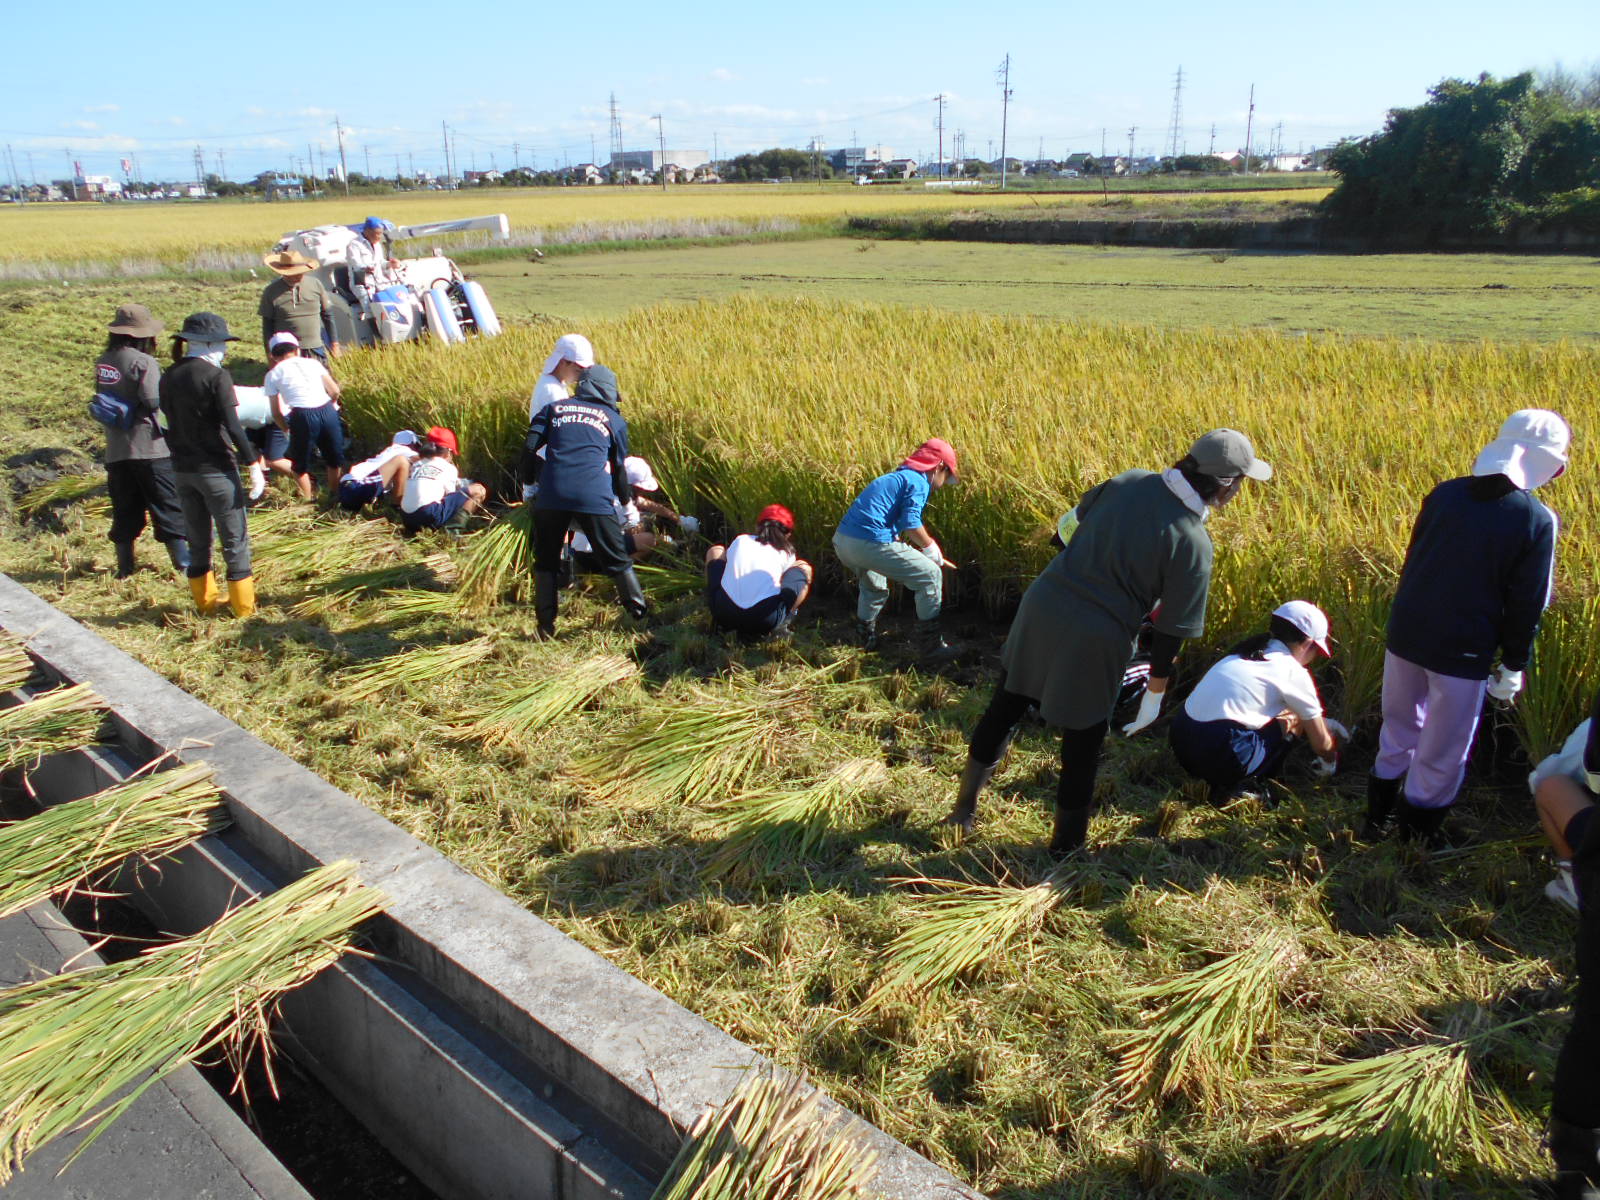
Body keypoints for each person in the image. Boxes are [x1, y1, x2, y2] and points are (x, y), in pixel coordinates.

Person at [943, 428, 1272, 855]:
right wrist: (1156, 691)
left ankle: (962, 812)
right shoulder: (1193, 541)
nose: (1239, 491)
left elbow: (1064, 531)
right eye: (1241, 482)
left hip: (1043, 603)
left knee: (1006, 705)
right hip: (1098, 635)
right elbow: (1172, 631)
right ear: (1225, 485)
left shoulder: (1129, 480)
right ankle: (1066, 849)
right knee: (1083, 742)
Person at [1363, 409, 1569, 846]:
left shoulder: (1444, 494)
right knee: (1443, 751)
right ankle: (1414, 841)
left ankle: (1373, 822)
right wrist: (1513, 665)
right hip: (1462, 651)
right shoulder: (1534, 519)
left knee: (1397, 729)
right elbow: (1527, 602)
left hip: (1406, 633)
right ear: (1546, 463)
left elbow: (1415, 560)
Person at [1168, 601, 1348, 807]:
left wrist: (1321, 723)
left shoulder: (1241, 653)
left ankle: (1223, 780)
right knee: (1295, 717)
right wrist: (1330, 762)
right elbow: (1322, 745)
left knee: (1286, 714)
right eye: (1316, 651)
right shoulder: (1292, 671)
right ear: (1308, 643)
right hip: (1220, 753)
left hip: (1181, 743)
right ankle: (1251, 786)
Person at [525, 364, 648, 638]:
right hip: (593, 497)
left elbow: (530, 448)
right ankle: (639, 619)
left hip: (552, 495)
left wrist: (529, 485)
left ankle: (545, 628)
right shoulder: (614, 420)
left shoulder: (554, 409)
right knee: (617, 560)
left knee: (546, 562)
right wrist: (627, 506)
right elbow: (618, 469)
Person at [158, 312, 264, 618]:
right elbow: (233, 426)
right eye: (221, 343)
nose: (225, 349)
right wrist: (253, 463)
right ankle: (243, 610)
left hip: (182, 470)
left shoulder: (169, 375)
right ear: (206, 343)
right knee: (234, 540)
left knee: (198, 540)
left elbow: (164, 422)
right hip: (216, 469)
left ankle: (205, 605)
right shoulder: (217, 377)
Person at [832, 438, 960, 657]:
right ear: (939, 466)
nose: (944, 482)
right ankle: (930, 647)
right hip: (868, 543)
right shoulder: (918, 481)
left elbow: (881, 516)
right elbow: (911, 523)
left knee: (874, 586)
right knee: (930, 575)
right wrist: (930, 547)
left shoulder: (895, 478)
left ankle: (863, 638)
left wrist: (895, 539)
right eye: (947, 475)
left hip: (843, 542)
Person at [94, 303, 189, 577]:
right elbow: (153, 400)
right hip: (150, 447)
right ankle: (183, 566)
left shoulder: (103, 361)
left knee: (125, 509)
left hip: (117, 448)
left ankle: (124, 569)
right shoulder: (143, 362)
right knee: (167, 506)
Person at [567, 455, 697, 575]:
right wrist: (667, 542)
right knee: (648, 538)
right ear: (632, 487)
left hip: (581, 552)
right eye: (640, 489)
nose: (642, 492)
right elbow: (634, 529)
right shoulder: (619, 506)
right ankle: (615, 572)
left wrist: (680, 519)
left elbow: (649, 505)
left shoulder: (605, 488)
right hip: (594, 556)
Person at [704, 504, 814, 641]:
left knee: (716, 551)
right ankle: (784, 622)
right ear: (788, 534)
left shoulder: (741, 540)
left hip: (723, 613)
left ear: (758, 527)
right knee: (803, 567)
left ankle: (714, 609)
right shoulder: (787, 552)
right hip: (764, 619)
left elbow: (727, 563)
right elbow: (785, 582)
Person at [262, 332, 344, 500]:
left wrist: (286, 429)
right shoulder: (313, 363)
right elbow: (335, 390)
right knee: (334, 459)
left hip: (302, 415)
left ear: (273, 356)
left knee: (299, 465)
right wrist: (332, 404)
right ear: (297, 350)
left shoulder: (272, 375)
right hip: (327, 410)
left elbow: (276, 412)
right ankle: (335, 497)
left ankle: (308, 500)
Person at [523, 333, 597, 500]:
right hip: (551, 465)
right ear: (563, 362)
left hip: (548, 462)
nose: (581, 375)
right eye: (578, 369)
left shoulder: (553, 383)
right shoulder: (552, 391)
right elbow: (565, 434)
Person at [399, 427, 486, 533]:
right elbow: (451, 495)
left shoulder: (418, 465)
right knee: (479, 490)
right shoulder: (448, 467)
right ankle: (453, 530)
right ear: (448, 452)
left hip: (406, 518)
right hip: (427, 515)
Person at [259, 250, 340, 361]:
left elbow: (328, 316)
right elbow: (267, 326)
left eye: (300, 272)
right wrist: (270, 355)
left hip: (315, 348)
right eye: (292, 273)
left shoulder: (316, 284)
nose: (297, 276)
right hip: (286, 351)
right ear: (283, 272)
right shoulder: (271, 291)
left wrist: (335, 344)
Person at [338, 430, 419, 512]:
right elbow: (423, 460)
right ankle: (398, 509)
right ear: (412, 444)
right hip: (358, 485)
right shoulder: (402, 449)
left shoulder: (389, 452)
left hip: (347, 487)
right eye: (417, 447)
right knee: (402, 461)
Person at [346, 216, 399, 302]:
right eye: (377, 233)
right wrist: (366, 268)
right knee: (370, 307)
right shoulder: (354, 245)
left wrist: (390, 264)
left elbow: (380, 262)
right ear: (368, 231)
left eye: (381, 233)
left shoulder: (377, 244)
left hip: (379, 282)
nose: (380, 237)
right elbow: (356, 265)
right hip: (363, 285)